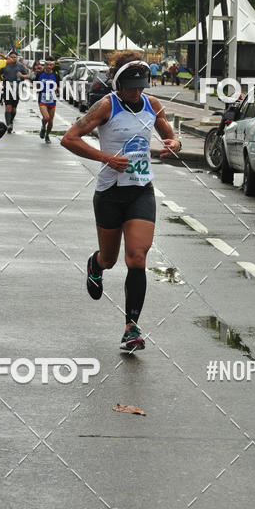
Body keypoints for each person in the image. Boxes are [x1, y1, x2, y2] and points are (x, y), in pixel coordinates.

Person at [61, 51, 182, 351]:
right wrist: (106, 158)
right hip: (110, 192)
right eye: (131, 88)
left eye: (141, 87)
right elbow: (69, 138)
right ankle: (96, 264)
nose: (136, 93)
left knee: (137, 257)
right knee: (110, 259)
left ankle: (132, 328)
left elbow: (170, 134)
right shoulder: (106, 106)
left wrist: (174, 143)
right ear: (118, 84)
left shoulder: (152, 105)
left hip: (141, 190)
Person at [0, 50, 30, 132]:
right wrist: (1, 77)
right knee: (8, 107)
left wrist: (22, 75)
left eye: (15, 57)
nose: (13, 58)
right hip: (7, 88)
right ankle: (8, 125)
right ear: (9, 57)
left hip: (17, 89)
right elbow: (0, 74)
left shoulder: (21, 66)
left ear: (17, 58)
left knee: (13, 109)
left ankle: (11, 121)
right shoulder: (5, 65)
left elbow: (28, 76)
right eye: (12, 57)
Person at [37, 57, 60, 142]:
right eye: (47, 64)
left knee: (50, 120)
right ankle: (43, 127)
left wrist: (57, 89)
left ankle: (47, 135)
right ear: (45, 64)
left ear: (53, 65)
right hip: (42, 99)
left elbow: (58, 86)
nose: (49, 66)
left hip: (52, 99)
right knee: (46, 118)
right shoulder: (40, 74)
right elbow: (36, 85)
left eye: (51, 65)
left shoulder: (56, 75)